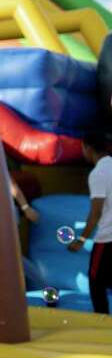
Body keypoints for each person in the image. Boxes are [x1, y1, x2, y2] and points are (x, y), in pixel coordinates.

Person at [67, 131, 112, 314]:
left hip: (107, 239)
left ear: (88, 148)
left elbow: (96, 213)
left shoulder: (98, 173)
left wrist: (81, 240)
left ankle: (102, 325)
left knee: (96, 282)